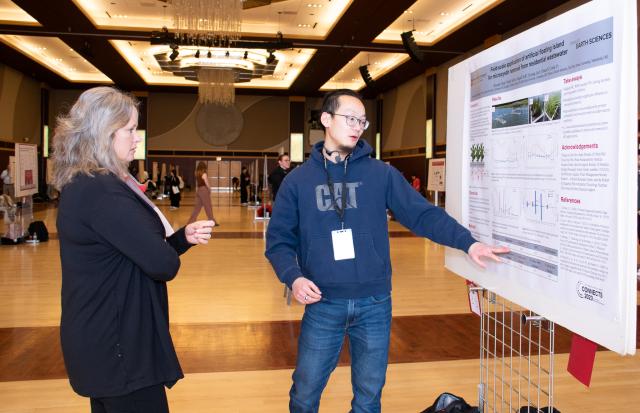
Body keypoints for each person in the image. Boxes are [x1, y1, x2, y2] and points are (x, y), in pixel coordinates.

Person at [265, 89, 509, 413]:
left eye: (362, 121)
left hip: (375, 303)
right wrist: (293, 278)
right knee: (304, 394)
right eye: (349, 118)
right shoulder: (297, 182)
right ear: (325, 119)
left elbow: (422, 214)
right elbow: (279, 240)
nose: (357, 126)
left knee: (368, 400)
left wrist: (468, 242)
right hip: (323, 302)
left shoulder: (381, 174)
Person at [51, 86, 214, 413]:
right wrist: (168, 248)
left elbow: (130, 251)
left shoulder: (85, 184)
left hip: (101, 340)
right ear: (104, 134)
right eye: (129, 130)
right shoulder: (104, 192)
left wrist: (181, 238)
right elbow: (161, 264)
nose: (136, 138)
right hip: (118, 348)